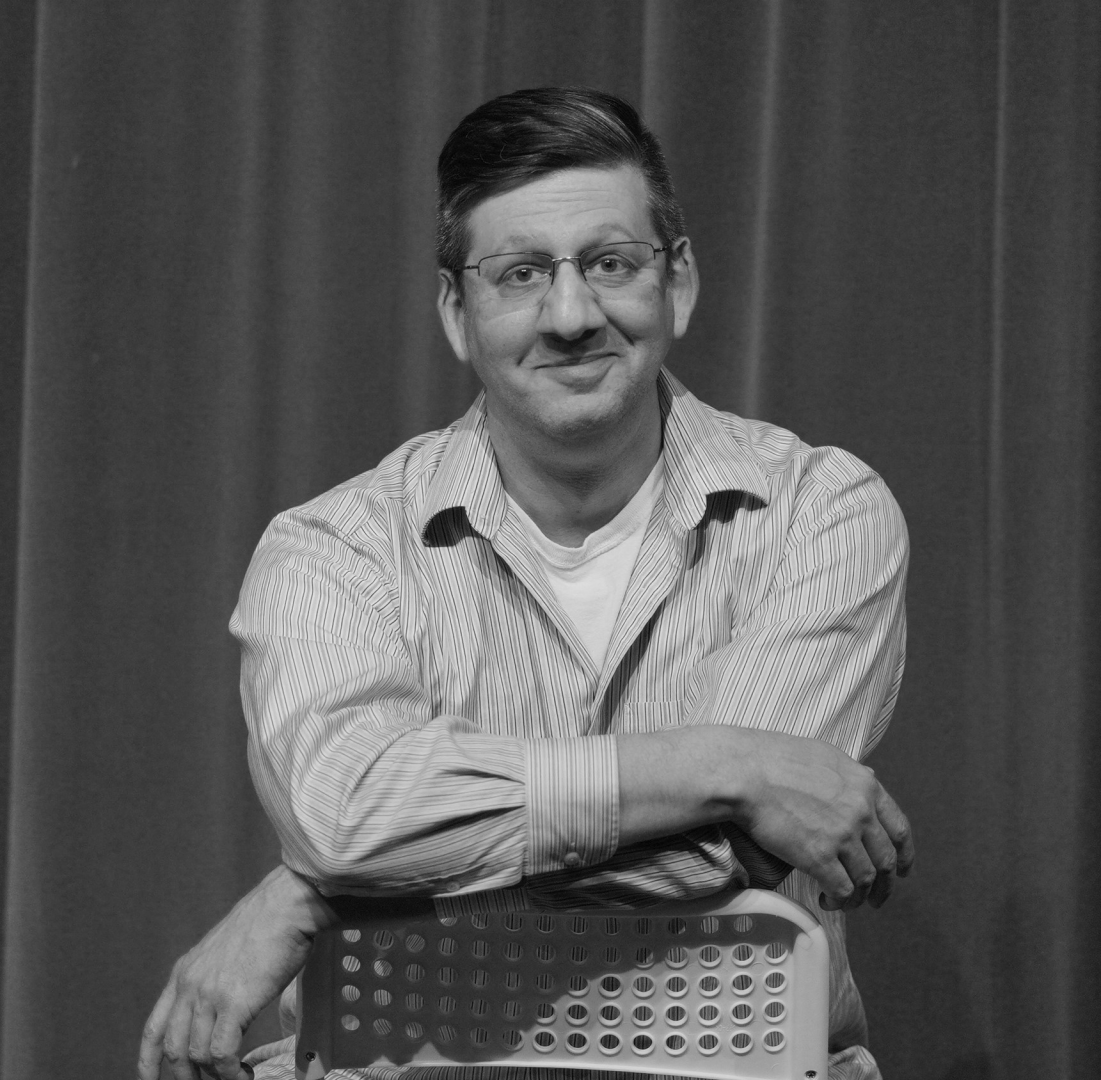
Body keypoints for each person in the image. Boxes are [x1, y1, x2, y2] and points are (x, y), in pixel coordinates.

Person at [138, 86, 913, 1080]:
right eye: (520, 274)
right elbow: (345, 818)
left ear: (677, 282)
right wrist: (727, 763)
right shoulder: (333, 548)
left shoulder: (819, 511)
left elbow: (730, 856)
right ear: (457, 312)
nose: (571, 314)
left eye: (611, 263)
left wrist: (322, 892)